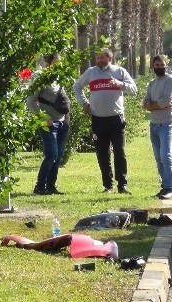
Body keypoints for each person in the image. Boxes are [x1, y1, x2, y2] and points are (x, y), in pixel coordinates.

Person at [73, 48, 137, 194]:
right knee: (102, 153)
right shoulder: (90, 72)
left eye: (102, 58)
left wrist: (120, 84)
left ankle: (122, 185)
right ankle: (108, 185)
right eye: (97, 58)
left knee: (119, 152)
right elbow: (77, 87)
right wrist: (84, 103)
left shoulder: (119, 71)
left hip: (116, 119)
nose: (99, 61)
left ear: (110, 58)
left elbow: (134, 89)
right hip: (98, 119)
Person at [27, 53, 71, 195]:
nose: (59, 65)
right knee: (52, 154)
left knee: (57, 157)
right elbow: (31, 101)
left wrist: (67, 121)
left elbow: (63, 101)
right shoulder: (41, 77)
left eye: (60, 63)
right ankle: (39, 186)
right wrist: (43, 119)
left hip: (62, 123)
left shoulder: (59, 78)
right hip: (49, 124)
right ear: (48, 63)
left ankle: (51, 186)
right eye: (56, 62)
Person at [143, 55, 172, 200]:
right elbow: (145, 102)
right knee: (158, 157)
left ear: (166, 65)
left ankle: (170, 187)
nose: (159, 67)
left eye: (161, 64)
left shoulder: (171, 80)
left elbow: (167, 101)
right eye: (156, 65)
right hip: (154, 124)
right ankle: (164, 186)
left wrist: (152, 106)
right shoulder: (152, 83)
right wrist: (152, 106)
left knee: (166, 155)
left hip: (167, 123)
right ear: (153, 66)